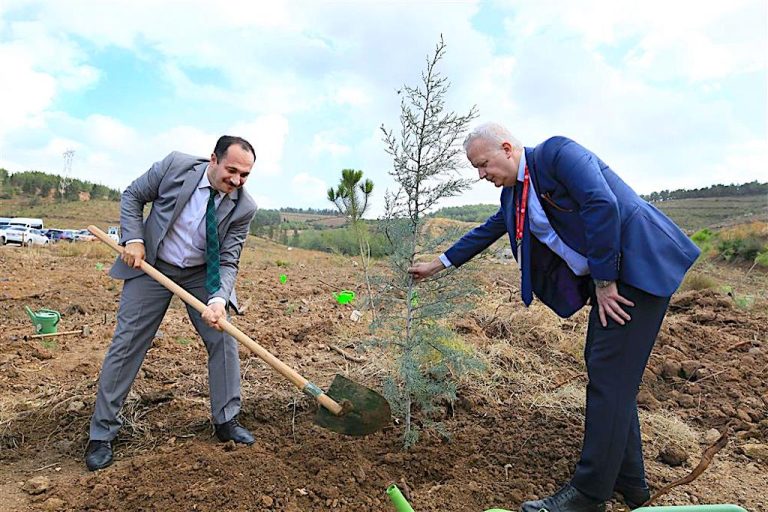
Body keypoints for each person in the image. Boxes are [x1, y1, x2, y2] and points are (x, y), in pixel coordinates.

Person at [409, 123, 700, 512]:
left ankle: (588, 493)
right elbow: (486, 232)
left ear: (507, 148)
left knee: (608, 376)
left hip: (636, 267)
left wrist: (604, 280)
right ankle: (631, 485)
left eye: (483, 164)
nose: (481, 175)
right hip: (616, 276)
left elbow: (601, 204)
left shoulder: (558, 154)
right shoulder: (514, 196)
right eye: (476, 169)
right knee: (608, 375)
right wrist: (437, 265)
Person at [85, 136, 259, 471]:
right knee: (128, 342)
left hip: (200, 273)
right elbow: (133, 195)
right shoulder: (176, 166)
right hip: (153, 263)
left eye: (245, 175)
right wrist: (133, 240)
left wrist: (220, 299)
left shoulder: (243, 207)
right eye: (232, 170)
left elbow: (229, 259)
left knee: (223, 337)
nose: (236, 181)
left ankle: (227, 421)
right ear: (213, 159)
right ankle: (101, 433)